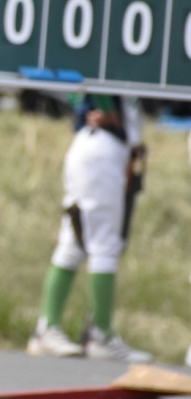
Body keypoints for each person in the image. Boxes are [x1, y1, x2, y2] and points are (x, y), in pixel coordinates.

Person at [27, 93, 152, 362]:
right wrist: (106, 108)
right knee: (103, 245)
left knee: (74, 243)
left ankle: (48, 328)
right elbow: (97, 80)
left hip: (101, 149)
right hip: (103, 148)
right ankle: (99, 335)